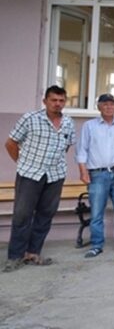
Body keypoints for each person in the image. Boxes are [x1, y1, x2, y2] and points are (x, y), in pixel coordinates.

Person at [3, 85, 75, 272]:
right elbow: (10, 143)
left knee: (45, 214)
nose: (57, 104)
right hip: (30, 174)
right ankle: (15, 256)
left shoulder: (68, 122)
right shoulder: (30, 118)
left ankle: (33, 252)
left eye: (61, 100)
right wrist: (22, 163)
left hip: (55, 175)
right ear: (45, 101)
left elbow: (66, 147)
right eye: (53, 100)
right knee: (22, 215)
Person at [77, 93, 114, 258]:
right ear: (99, 107)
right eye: (105, 104)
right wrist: (83, 171)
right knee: (96, 212)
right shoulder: (89, 126)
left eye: (111, 104)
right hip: (98, 174)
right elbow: (82, 150)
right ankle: (96, 245)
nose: (109, 107)